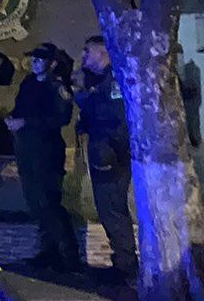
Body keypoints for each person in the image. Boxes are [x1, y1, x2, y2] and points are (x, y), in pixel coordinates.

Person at [73, 35, 137, 286]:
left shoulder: (114, 82)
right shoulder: (102, 81)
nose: (84, 57)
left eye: (88, 52)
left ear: (104, 53)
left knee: (112, 209)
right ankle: (122, 262)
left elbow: (113, 117)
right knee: (108, 208)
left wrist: (83, 97)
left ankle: (126, 266)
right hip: (105, 152)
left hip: (112, 156)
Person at [8, 42, 77, 271]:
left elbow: (60, 118)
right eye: (33, 59)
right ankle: (48, 253)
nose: (34, 63)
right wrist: (13, 120)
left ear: (52, 63)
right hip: (27, 150)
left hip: (47, 152)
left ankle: (69, 256)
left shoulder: (56, 87)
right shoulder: (28, 83)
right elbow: (20, 108)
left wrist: (26, 122)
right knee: (35, 203)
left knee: (50, 202)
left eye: (39, 59)